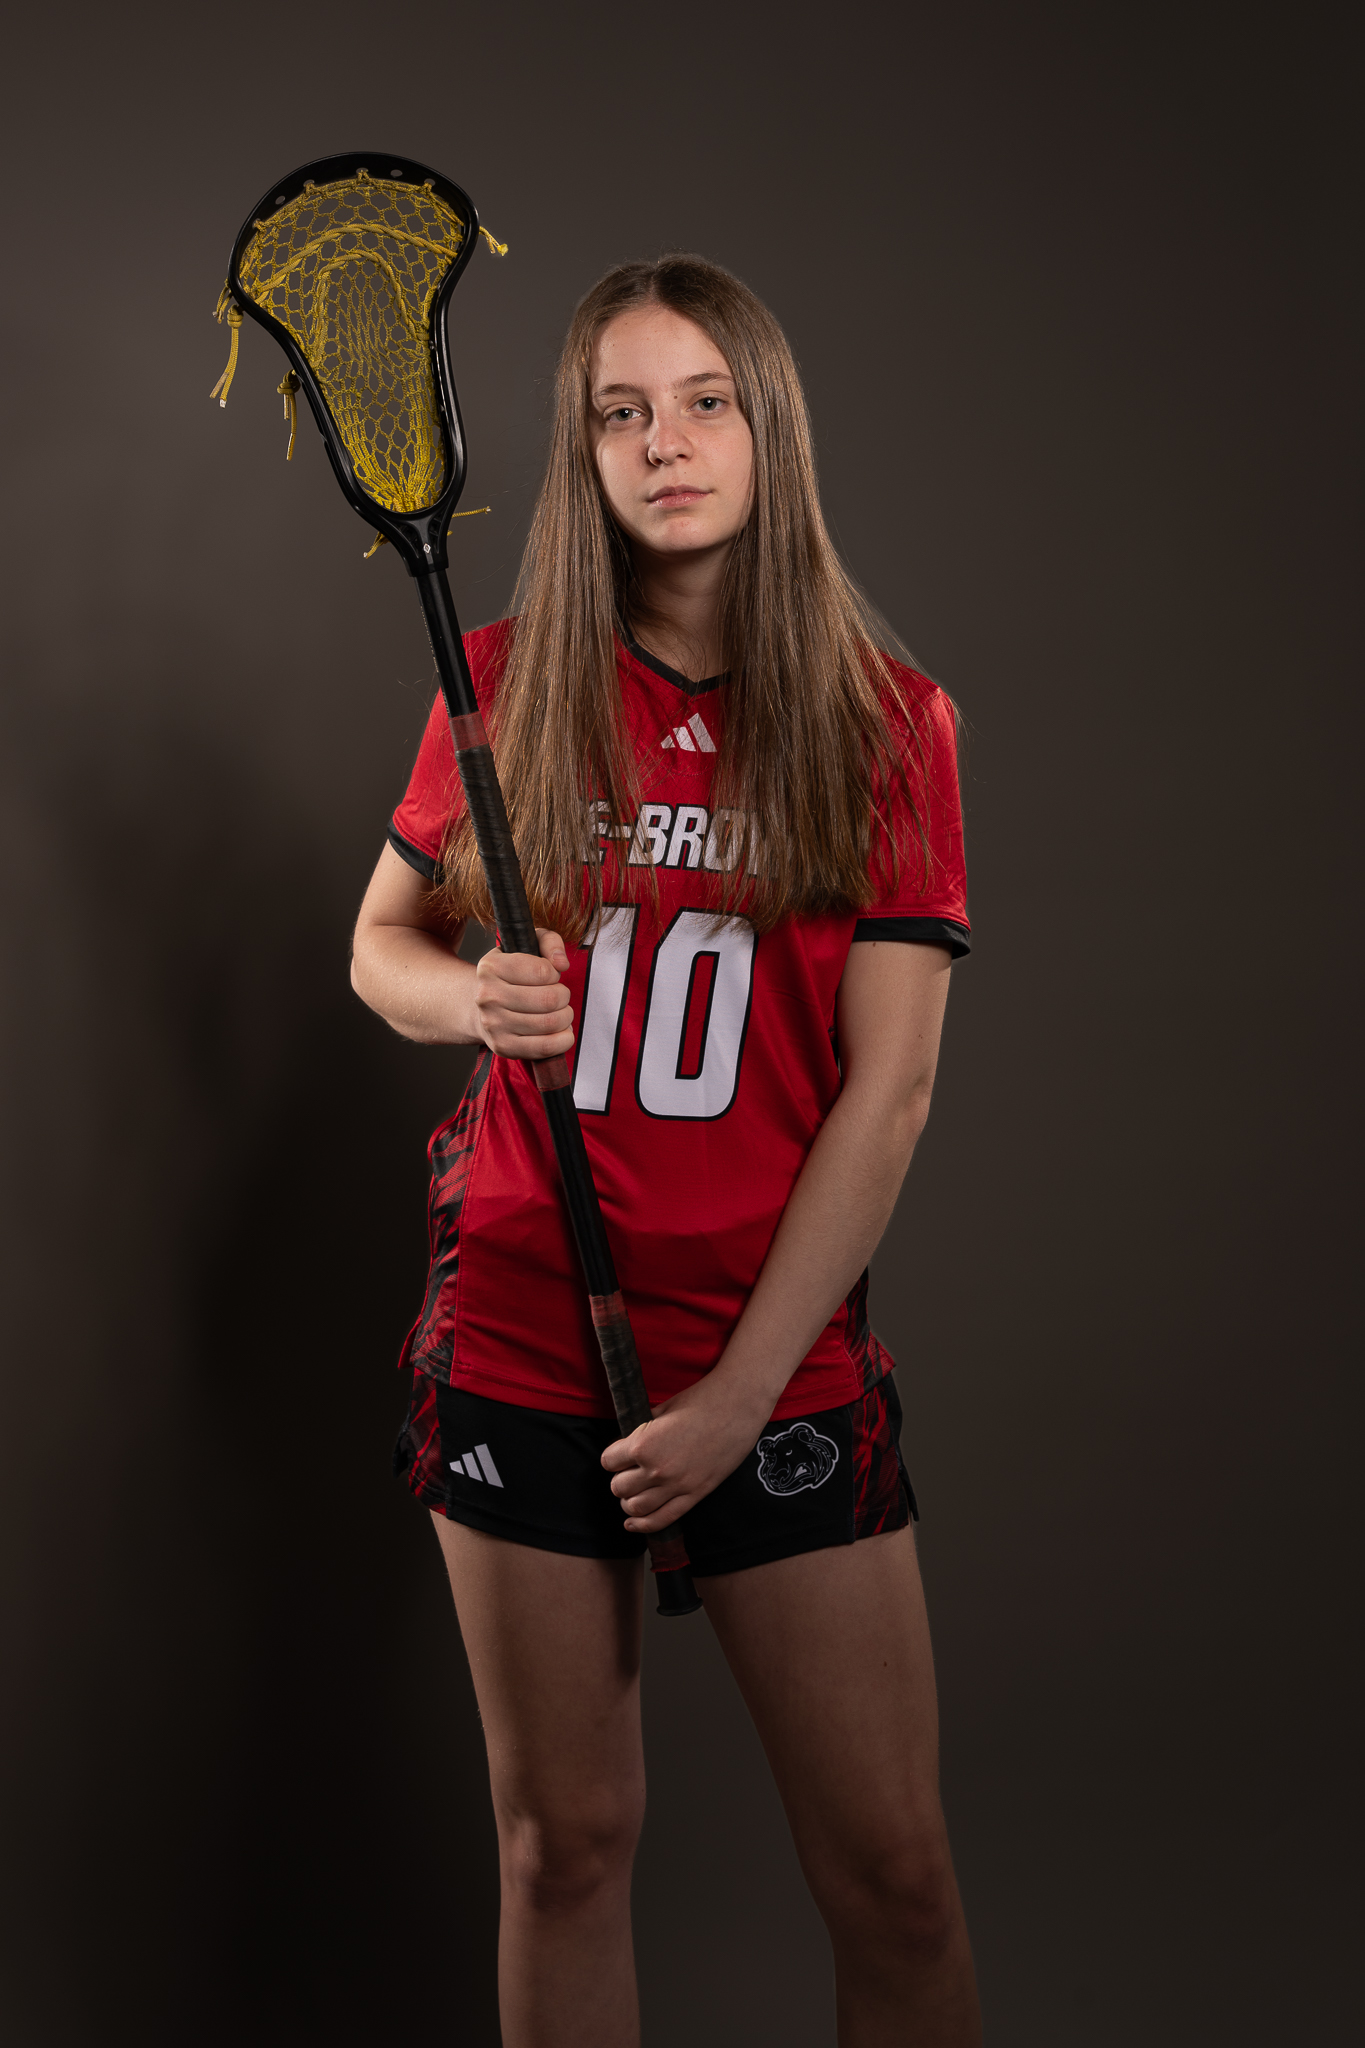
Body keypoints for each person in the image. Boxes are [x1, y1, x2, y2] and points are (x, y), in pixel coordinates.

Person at [351, 254, 981, 2048]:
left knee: (895, 1877)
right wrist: (472, 999)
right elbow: (374, 948)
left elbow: (891, 1095)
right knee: (564, 1849)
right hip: (527, 1337)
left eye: (703, 400)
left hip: (767, 1369)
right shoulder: (502, 690)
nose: (665, 442)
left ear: (769, 428)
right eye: (620, 412)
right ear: (582, 453)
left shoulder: (886, 723)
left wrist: (734, 1398)